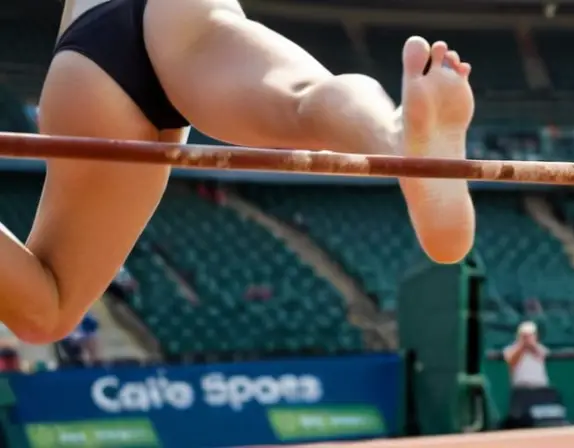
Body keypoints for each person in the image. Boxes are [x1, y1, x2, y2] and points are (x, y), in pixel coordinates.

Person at [0, 0, 477, 343]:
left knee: (48, 307)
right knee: (305, 100)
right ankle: (393, 136)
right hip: (183, 15)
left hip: (92, 47)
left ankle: (401, 141)